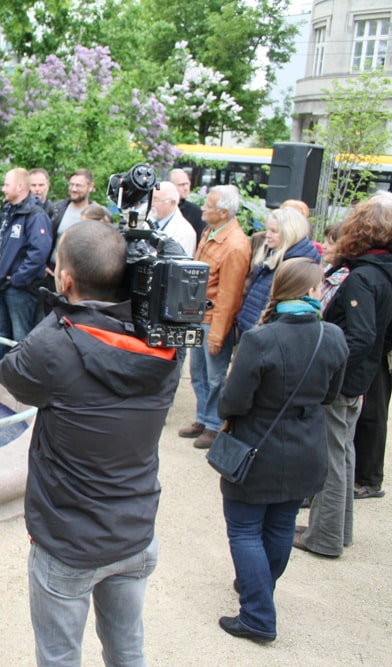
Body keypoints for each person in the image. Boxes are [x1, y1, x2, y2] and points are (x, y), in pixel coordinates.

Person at [0, 221, 181, 666]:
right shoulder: (167, 344)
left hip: (70, 541)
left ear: (65, 279)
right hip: (135, 531)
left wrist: (62, 310)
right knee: (127, 651)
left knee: (60, 657)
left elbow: (10, 372)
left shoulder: (55, 345)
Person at [216, 258, 348, 643]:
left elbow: (232, 403)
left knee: (244, 529)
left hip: (257, 447)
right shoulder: (333, 336)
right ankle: (259, 592)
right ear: (309, 292)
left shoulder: (261, 339)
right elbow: (331, 394)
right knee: (279, 525)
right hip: (307, 446)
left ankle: (257, 613)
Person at [298, 194, 392, 557]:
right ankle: (337, 529)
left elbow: (361, 336)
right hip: (360, 377)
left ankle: (324, 537)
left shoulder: (364, 278)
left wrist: (329, 372)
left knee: (332, 458)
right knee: (344, 453)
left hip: (341, 381)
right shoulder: (381, 271)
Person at [180, 185, 252, 450]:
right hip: (199, 315)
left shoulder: (234, 245)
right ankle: (203, 417)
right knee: (197, 371)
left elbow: (229, 296)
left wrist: (219, 333)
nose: (203, 209)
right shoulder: (212, 231)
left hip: (213, 320)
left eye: (208, 206)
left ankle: (214, 425)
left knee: (214, 376)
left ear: (223, 212)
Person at [0, 168, 53, 363]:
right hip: (0, 286)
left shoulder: (35, 215)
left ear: (20, 186)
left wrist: (18, 279)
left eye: (6, 184)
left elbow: (38, 253)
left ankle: (20, 383)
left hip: (20, 289)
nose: (3, 188)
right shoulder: (4, 213)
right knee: (0, 334)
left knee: (20, 336)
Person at [235, 207, 320, 336]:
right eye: (268, 229)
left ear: (290, 233)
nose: (267, 235)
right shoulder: (272, 253)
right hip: (253, 331)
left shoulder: (298, 267)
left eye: (274, 231)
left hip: (268, 337)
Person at [149, 181, 197, 257]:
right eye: (151, 199)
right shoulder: (150, 220)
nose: (152, 204)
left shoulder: (185, 232)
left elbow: (180, 263)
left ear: (172, 203)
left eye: (156, 200)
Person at [169, 168, 206, 239]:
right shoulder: (162, 206)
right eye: (181, 185)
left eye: (187, 184)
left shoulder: (196, 212)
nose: (186, 188)